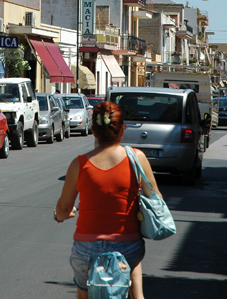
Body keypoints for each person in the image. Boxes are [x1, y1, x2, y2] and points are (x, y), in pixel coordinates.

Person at [55, 101, 162, 299]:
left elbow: (62, 209)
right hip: (128, 246)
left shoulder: (79, 164)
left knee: (83, 293)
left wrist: (63, 214)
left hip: (86, 249)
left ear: (94, 131)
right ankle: (137, 295)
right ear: (122, 130)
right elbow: (156, 199)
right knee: (132, 261)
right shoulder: (137, 158)